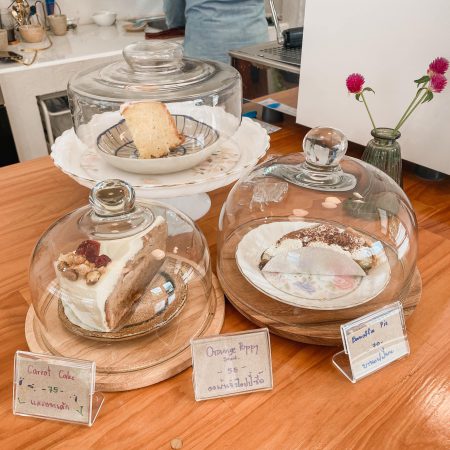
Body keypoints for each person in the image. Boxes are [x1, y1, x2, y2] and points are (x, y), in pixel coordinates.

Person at [163, 0, 268, 64]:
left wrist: (177, 26)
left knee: (207, 91)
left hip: (206, 46)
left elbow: (173, 7)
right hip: (254, 42)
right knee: (256, 91)